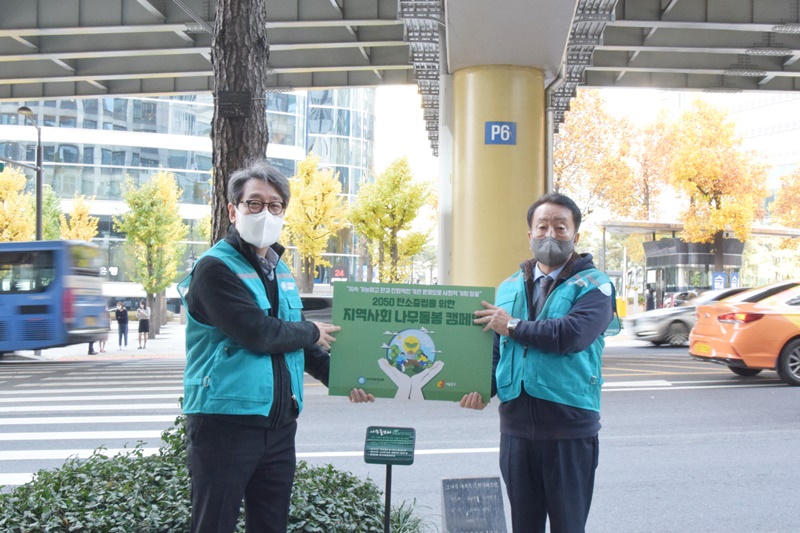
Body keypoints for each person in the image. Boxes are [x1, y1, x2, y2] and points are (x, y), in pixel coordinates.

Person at [179, 161, 374, 533]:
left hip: (279, 425)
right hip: (226, 422)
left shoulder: (280, 270)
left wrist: (348, 378)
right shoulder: (215, 268)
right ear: (233, 210)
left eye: (275, 205)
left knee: (271, 525)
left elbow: (302, 349)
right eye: (254, 203)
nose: (265, 212)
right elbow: (260, 333)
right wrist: (310, 331)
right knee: (213, 524)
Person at [464, 192, 615, 533]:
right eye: (542, 226)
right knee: (524, 527)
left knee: (568, 526)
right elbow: (497, 351)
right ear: (529, 234)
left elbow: (572, 334)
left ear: (575, 236)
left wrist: (514, 325)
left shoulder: (595, 286)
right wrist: (479, 387)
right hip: (516, 431)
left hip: (569, 429)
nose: (550, 234)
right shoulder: (507, 288)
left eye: (560, 227)